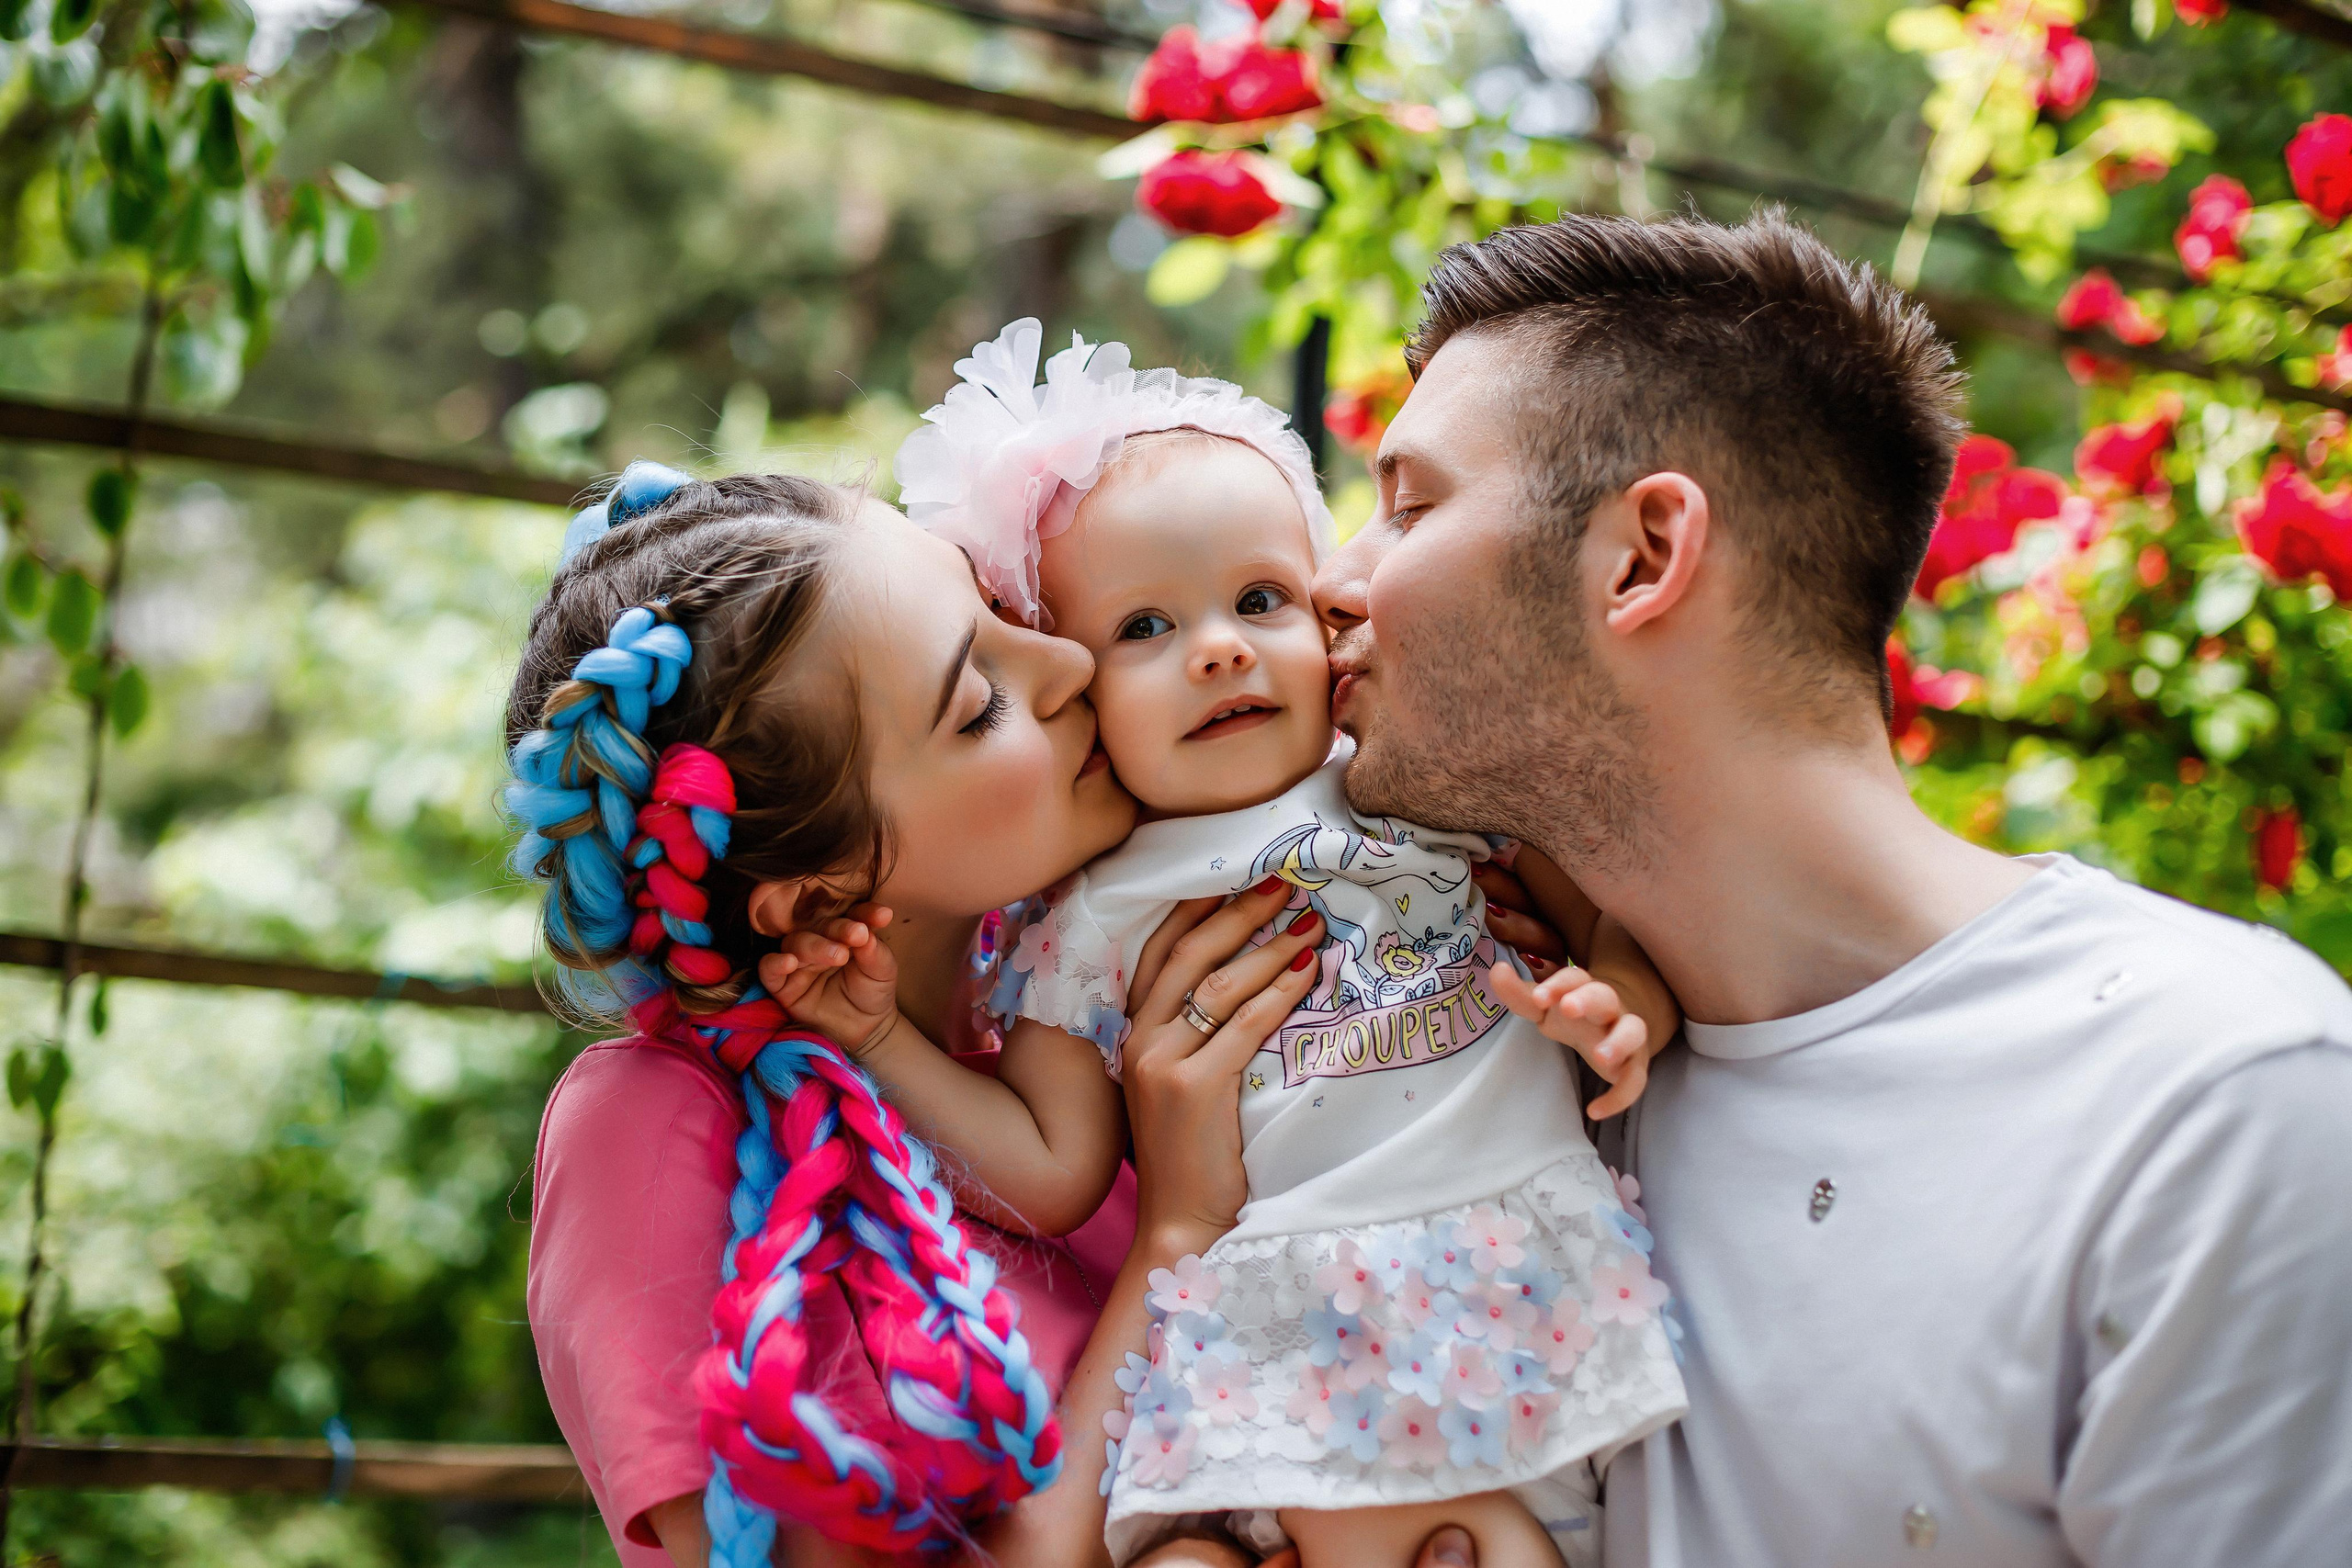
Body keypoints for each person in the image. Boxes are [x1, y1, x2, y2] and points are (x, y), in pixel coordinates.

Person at [1309, 208, 2352, 1566]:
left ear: (1642, 555)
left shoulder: (2212, 1102)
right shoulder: (1490, 1065)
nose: (1334, 580)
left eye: (1412, 504)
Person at [512, 464, 1499, 1568]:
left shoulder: (1087, 1013)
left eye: (995, 610)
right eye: (977, 701)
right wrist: (1176, 1230)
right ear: (818, 895)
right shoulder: (652, 1122)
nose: (1071, 660)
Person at [874, 321, 1681, 1567]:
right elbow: (1048, 1166)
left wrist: (1625, 999)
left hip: (1504, 1275)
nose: (1220, 645)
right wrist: (872, 1034)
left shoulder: (1417, 780)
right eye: (1145, 627)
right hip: (1265, 1340)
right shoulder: (1094, 909)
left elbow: (1611, 912)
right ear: (1079, 691)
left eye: (1261, 598)